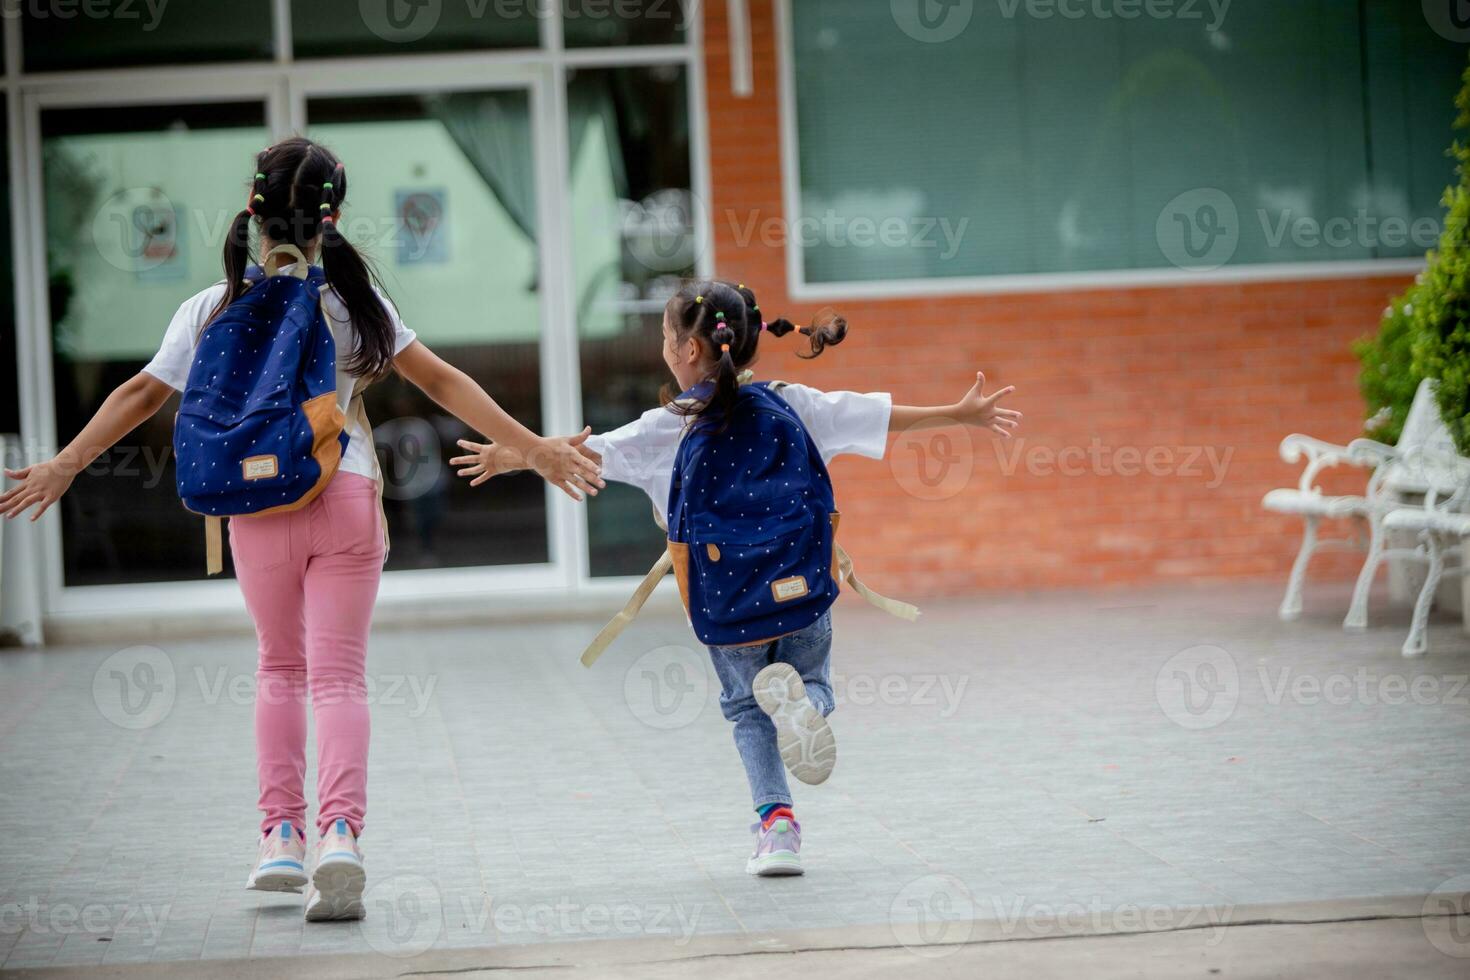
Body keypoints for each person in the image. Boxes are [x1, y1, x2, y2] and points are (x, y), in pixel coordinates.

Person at [0, 136, 603, 920]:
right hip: (344, 496)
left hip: (257, 512)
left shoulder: (209, 308)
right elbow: (444, 381)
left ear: (252, 214)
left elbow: (138, 396)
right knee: (339, 676)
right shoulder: (353, 303)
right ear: (333, 218)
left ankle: (280, 837)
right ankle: (341, 838)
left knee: (279, 668)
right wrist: (537, 447)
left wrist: (66, 463)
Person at [451, 279, 1017, 875]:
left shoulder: (665, 427)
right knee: (814, 678)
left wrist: (510, 455)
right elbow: (875, 416)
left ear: (689, 351)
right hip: (803, 593)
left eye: (668, 336)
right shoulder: (792, 401)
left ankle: (777, 830)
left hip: (727, 606)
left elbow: (580, 454)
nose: (664, 345)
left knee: (748, 710)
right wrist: (959, 413)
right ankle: (810, 706)